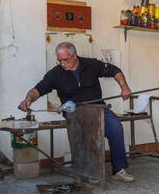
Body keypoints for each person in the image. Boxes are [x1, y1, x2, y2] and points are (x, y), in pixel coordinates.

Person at [19, 42, 135, 182]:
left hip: (97, 108)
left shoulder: (91, 64)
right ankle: (89, 170)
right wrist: (28, 99)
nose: (62, 63)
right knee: (87, 132)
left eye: (65, 59)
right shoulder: (56, 73)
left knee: (115, 127)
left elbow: (114, 70)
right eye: (59, 60)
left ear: (74, 56)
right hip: (74, 112)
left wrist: (125, 87)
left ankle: (119, 169)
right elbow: (39, 89)